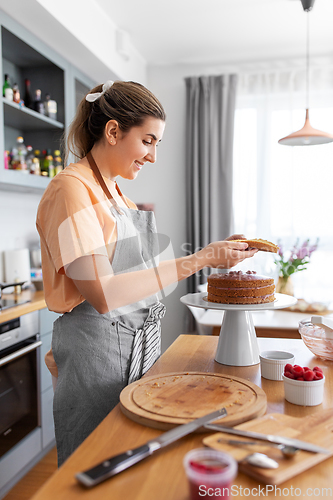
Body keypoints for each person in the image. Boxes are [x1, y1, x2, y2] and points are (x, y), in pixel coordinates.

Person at [36, 80, 257, 466]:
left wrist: (214, 253)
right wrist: (201, 259)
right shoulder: (72, 189)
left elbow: (144, 274)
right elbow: (103, 294)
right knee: (94, 466)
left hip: (134, 347)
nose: (153, 156)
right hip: (97, 352)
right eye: (148, 141)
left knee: (131, 462)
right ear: (113, 131)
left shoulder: (117, 194)